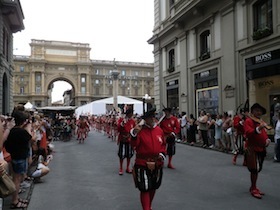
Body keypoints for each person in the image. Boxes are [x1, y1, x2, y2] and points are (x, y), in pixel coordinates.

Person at [130, 108, 166, 210]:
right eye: (147, 119)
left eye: (151, 118)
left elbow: (163, 145)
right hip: (142, 163)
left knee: (154, 186)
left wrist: (162, 154)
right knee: (145, 188)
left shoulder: (159, 130)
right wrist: (134, 134)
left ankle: (149, 206)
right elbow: (134, 145)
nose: (150, 120)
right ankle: (146, 208)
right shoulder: (140, 131)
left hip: (157, 162)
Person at [4, 109, 32, 208]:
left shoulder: (11, 131)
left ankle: (16, 199)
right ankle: (15, 201)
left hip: (13, 156)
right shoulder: (21, 132)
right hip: (20, 158)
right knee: (17, 179)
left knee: (16, 178)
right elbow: (31, 138)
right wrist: (28, 127)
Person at [244, 103, 271, 199]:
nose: (259, 112)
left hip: (261, 148)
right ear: (252, 112)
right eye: (256, 110)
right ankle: (253, 188)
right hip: (252, 148)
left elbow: (264, 134)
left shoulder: (260, 121)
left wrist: (267, 139)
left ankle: (253, 186)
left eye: (260, 111)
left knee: (258, 169)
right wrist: (258, 128)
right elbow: (248, 133)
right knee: (254, 169)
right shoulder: (249, 121)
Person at [117, 108, 135, 175]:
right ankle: (121, 168)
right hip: (123, 139)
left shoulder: (132, 121)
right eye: (131, 113)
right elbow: (118, 129)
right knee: (121, 154)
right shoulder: (121, 120)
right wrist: (122, 124)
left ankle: (127, 167)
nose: (131, 115)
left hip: (129, 139)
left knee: (129, 154)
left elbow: (133, 129)